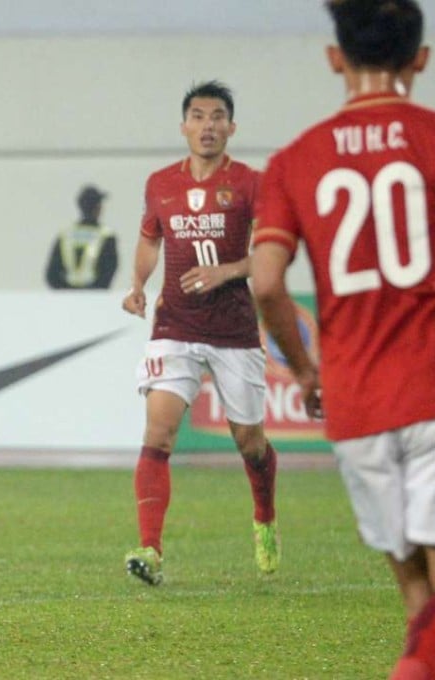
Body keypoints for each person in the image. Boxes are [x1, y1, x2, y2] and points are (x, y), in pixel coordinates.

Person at [251, 1, 435, 677]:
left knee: (425, 602)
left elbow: (266, 282)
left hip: (355, 405)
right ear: (421, 59)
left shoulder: (294, 161)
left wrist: (303, 370)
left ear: (336, 59)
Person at [121, 80, 279, 586]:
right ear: (184, 124)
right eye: (197, 115)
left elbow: (276, 251)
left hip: (234, 330)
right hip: (176, 325)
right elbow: (150, 239)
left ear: (231, 127)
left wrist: (228, 270)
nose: (207, 125)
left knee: (249, 441)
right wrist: (138, 284)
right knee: (159, 431)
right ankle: (150, 548)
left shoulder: (252, 183)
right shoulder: (161, 182)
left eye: (217, 117)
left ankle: (264, 518)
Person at [45, 185, 118, 289]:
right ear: (98, 208)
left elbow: (51, 275)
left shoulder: (65, 235)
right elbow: (108, 271)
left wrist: (67, 291)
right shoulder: (107, 236)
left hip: (65, 300)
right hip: (96, 299)